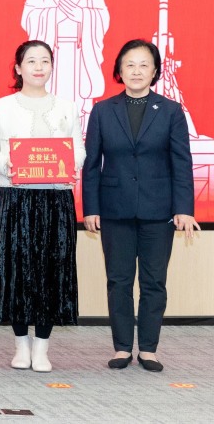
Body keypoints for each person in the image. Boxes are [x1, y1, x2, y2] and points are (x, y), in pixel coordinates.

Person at [83, 39, 199, 373]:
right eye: (129, 65)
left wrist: (184, 208)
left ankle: (148, 349)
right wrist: (91, 208)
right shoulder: (103, 110)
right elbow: (91, 164)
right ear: (119, 71)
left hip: (158, 210)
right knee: (118, 281)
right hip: (114, 209)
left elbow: (182, 163)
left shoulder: (171, 111)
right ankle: (122, 347)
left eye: (144, 64)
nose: (136, 71)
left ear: (155, 71)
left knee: (154, 282)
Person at [0, 40, 85, 373]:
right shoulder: (1, 107)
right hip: (14, 196)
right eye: (31, 61)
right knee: (17, 269)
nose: (39, 67)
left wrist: (71, 164)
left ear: (52, 66)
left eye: (45, 61)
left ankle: (42, 348)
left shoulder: (67, 107)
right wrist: (9, 164)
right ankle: (21, 344)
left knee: (52, 270)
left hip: (55, 197)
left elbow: (79, 150)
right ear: (18, 68)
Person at [21, 0, 110, 130]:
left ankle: (80, 134)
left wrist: (83, 16)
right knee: (49, 105)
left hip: (81, 54)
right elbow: (28, 17)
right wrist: (55, 15)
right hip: (53, 54)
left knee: (78, 109)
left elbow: (102, 17)